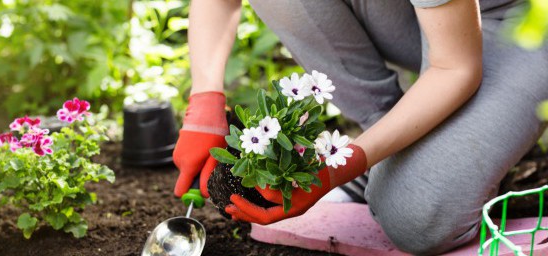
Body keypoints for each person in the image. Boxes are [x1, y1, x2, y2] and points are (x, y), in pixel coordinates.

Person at [172, 0, 548, 254]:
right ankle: (388, 147)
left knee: (414, 218)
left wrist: (338, 168)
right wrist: (204, 103)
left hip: (520, 21)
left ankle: (400, 165)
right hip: (422, 16)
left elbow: (456, 68)